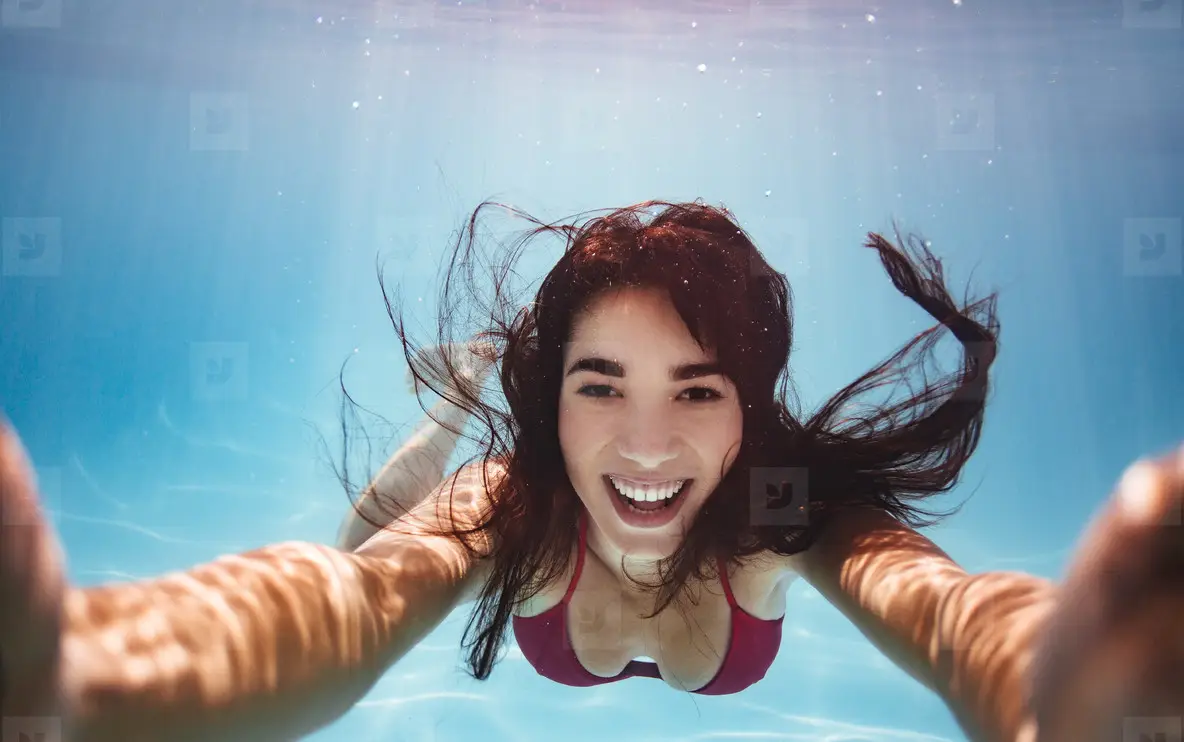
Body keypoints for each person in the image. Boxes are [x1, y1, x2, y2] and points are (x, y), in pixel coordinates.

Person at [0, 200, 1180, 742]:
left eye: (698, 391)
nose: (650, 447)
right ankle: (459, 398)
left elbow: (938, 602)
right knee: (377, 533)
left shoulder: (775, 508)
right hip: (497, 499)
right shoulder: (522, 498)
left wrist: (1040, 676)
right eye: (600, 384)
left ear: (745, 418)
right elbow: (343, 601)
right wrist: (97, 665)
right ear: (553, 409)